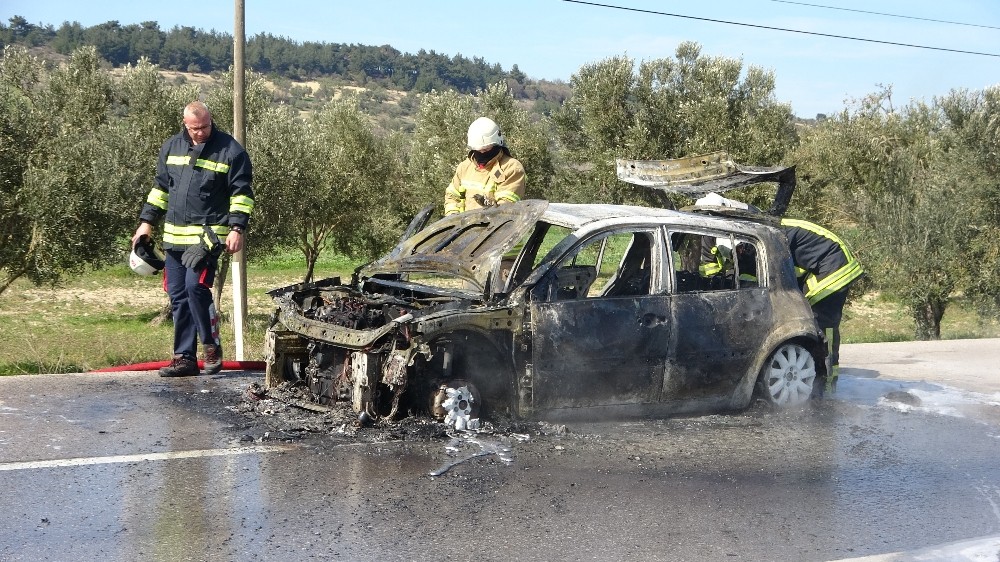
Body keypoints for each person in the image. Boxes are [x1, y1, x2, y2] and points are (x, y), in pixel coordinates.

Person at [132, 101, 254, 377]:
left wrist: (237, 229)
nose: (200, 133)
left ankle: (211, 346)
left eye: (205, 127)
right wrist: (146, 224)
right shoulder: (171, 147)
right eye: (195, 128)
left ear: (211, 121)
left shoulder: (231, 151)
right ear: (185, 124)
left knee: (195, 289)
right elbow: (160, 189)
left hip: (207, 238)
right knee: (177, 295)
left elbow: (242, 195)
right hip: (174, 239)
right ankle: (184, 358)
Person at [780, 218, 864, 393]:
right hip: (825, 265)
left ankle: (826, 384)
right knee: (818, 325)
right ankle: (819, 378)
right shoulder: (778, 230)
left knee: (823, 328)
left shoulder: (773, 233)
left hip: (834, 266)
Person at [444, 117, 526, 216]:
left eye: (486, 150)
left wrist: (489, 204)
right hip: (464, 229)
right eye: (478, 150)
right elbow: (451, 196)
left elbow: (504, 208)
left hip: (494, 230)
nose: (481, 153)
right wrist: (452, 217)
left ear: (497, 144)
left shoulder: (511, 168)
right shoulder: (464, 167)